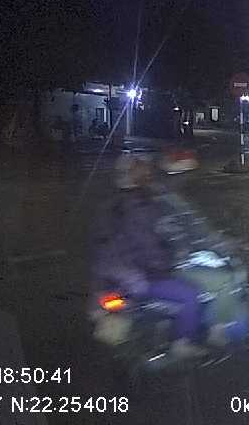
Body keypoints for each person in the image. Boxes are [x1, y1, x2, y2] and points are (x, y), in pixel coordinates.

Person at [92, 153, 206, 361]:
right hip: (142, 278)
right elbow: (150, 247)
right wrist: (173, 255)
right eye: (142, 171)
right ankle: (182, 344)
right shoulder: (141, 206)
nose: (147, 175)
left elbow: (103, 248)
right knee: (191, 295)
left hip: (113, 280)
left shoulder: (110, 207)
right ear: (135, 176)